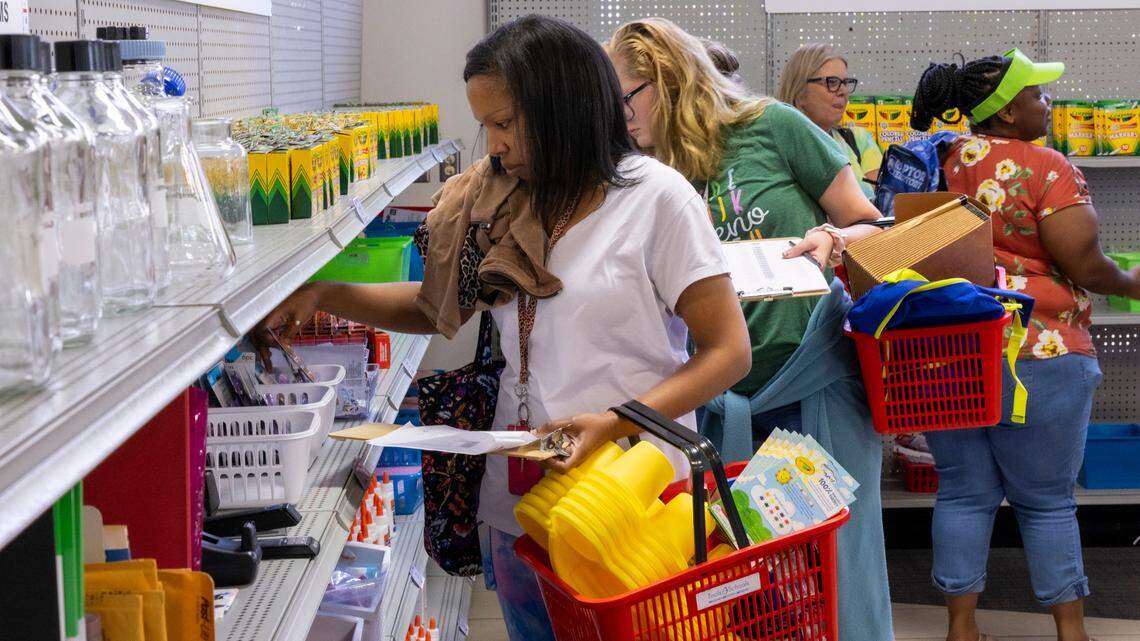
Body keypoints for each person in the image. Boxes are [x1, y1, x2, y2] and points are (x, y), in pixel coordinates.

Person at [257, 15, 751, 641]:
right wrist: (327, 293)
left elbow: (729, 352)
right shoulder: (503, 201)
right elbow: (435, 307)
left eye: (505, 123)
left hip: (627, 506)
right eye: (485, 125)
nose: (492, 145)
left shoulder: (658, 201)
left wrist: (614, 420)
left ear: (563, 110)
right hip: (518, 508)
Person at [608, 18, 892, 641]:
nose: (619, 117)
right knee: (746, 590)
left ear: (667, 80)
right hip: (719, 405)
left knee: (837, 567)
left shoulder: (773, 127)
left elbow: (878, 227)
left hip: (816, 385)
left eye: (625, 98)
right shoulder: (642, 173)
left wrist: (835, 237)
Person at [909, 49, 1140, 641]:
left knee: (962, 494)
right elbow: (1085, 263)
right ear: (1008, 113)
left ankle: (961, 628)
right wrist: (1132, 281)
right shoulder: (1048, 166)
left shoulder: (938, 160)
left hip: (949, 351)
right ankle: (1071, 633)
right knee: (1045, 503)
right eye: (1038, 95)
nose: (1048, 102)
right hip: (1040, 353)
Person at [778, 43, 881, 198]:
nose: (844, 91)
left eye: (846, 83)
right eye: (832, 82)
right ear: (799, 92)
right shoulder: (777, 150)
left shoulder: (859, 140)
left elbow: (884, 203)